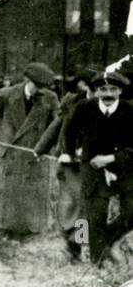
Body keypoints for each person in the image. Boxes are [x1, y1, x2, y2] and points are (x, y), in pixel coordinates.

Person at [0, 62, 59, 237]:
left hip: (34, 151)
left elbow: (57, 123)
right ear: (27, 80)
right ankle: (4, 228)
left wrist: (50, 146)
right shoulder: (8, 94)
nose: (40, 90)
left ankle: (30, 229)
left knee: (33, 189)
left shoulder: (50, 97)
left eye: (44, 87)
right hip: (8, 152)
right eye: (37, 86)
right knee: (5, 190)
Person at [63, 70, 133, 265]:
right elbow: (69, 131)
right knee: (96, 215)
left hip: (124, 168)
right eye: (103, 89)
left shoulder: (129, 111)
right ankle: (97, 263)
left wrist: (110, 158)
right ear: (96, 91)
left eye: (113, 89)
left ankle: (109, 239)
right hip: (92, 167)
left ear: (120, 91)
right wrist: (72, 152)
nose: (108, 94)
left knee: (132, 212)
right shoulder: (85, 108)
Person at [36, 68, 96, 261]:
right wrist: (41, 148)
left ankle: (81, 246)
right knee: (69, 205)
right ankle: (70, 242)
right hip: (68, 164)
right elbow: (57, 126)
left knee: (84, 207)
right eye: (94, 87)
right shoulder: (72, 101)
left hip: (91, 165)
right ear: (86, 86)